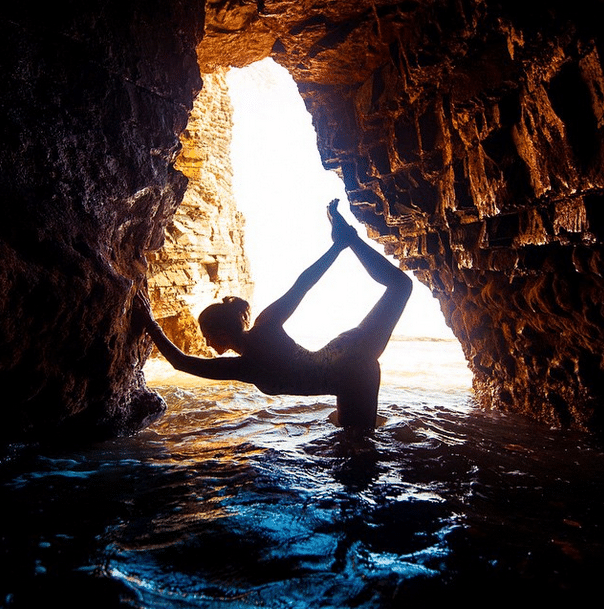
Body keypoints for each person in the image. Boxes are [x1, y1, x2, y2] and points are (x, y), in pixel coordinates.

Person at [134, 200, 412, 429]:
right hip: (342, 350)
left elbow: (181, 362)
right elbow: (303, 284)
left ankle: (347, 240)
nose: (206, 343)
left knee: (358, 455)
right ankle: (348, 240)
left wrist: (149, 322)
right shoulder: (265, 324)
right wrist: (336, 249)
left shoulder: (245, 366)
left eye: (207, 337)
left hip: (350, 373)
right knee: (400, 286)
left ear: (221, 334)